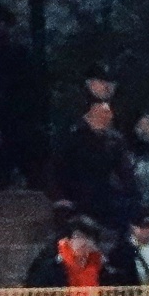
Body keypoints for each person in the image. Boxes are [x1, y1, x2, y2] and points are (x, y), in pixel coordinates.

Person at [0, 5, 51, 190]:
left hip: (21, 127)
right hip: (9, 127)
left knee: (32, 175)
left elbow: (26, 92)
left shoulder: (19, 56)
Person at [56, 95, 136, 230]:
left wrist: (131, 194)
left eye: (109, 112)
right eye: (104, 112)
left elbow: (125, 171)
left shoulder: (115, 140)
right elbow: (59, 168)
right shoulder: (73, 136)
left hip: (105, 196)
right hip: (76, 195)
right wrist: (61, 197)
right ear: (92, 112)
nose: (109, 116)